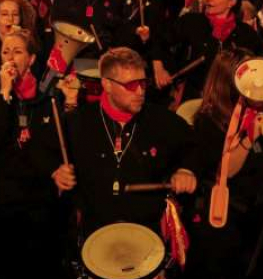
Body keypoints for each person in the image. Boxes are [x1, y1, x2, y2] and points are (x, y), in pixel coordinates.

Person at [52, 47, 198, 236]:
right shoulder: (78, 122)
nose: (139, 92)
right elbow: (45, 155)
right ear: (107, 85)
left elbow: (195, 147)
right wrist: (57, 173)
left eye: (143, 83)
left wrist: (186, 170)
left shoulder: (162, 120)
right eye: (130, 85)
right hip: (94, 230)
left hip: (147, 230)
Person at [184, 51, 263, 279]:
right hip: (226, 222)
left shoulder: (260, 111)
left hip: (256, 217)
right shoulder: (208, 120)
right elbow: (226, 171)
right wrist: (248, 139)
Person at [0, 28, 62, 279]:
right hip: (4, 195)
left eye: (17, 51)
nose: (10, 57)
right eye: (5, 51)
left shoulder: (48, 95)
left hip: (39, 196)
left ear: (32, 58)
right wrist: (5, 93)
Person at [152, 0, 263, 103]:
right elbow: (160, 42)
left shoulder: (246, 34)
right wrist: (159, 68)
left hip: (227, 103)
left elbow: (261, 65)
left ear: (231, 2)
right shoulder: (191, 21)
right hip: (191, 98)